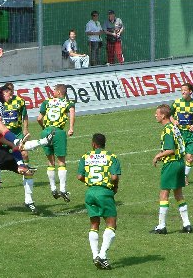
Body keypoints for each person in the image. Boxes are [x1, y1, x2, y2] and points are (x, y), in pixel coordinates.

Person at [0, 116, 54, 214]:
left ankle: (29, 201)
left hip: (3, 151)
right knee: (20, 149)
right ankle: (44, 141)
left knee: (28, 172)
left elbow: (0, 138)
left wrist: (11, 144)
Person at [0, 48, 31, 175]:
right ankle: (18, 141)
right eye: (9, 93)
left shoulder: (2, 104)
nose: (10, 96)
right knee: (6, 132)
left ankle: (21, 166)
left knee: (13, 146)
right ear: (3, 92)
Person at [77, 133, 121, 270]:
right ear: (104, 144)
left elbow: (79, 176)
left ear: (93, 144)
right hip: (104, 192)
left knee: (94, 224)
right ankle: (102, 255)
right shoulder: (111, 157)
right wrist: (115, 187)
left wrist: (90, 182)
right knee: (111, 223)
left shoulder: (85, 157)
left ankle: (95, 255)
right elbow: (114, 177)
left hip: (90, 193)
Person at [151, 104, 192, 234]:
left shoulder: (167, 130)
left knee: (164, 193)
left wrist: (158, 155)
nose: (155, 115)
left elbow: (170, 150)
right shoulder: (174, 128)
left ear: (163, 115)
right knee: (178, 193)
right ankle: (187, 224)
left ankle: (161, 226)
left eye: (157, 113)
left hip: (171, 164)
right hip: (180, 162)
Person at [37, 84, 75, 202]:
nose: (52, 92)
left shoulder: (47, 102)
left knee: (50, 161)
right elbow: (72, 112)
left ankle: (53, 188)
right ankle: (63, 189)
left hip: (46, 131)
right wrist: (71, 128)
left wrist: (44, 128)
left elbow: (39, 118)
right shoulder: (68, 103)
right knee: (61, 162)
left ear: (59, 92)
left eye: (54, 90)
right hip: (58, 132)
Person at [0, 82, 29, 189]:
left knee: (24, 154)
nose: (9, 92)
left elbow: (25, 116)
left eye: (11, 90)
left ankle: (26, 175)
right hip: (3, 132)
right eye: (7, 90)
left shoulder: (19, 101)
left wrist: (25, 129)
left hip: (17, 132)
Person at [170, 83, 193, 186]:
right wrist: (174, 121)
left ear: (190, 91)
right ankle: (176, 176)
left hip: (190, 134)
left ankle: (185, 176)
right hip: (179, 134)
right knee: (178, 157)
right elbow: (169, 114)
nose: (183, 92)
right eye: (181, 90)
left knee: (190, 158)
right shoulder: (176, 103)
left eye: (185, 90)